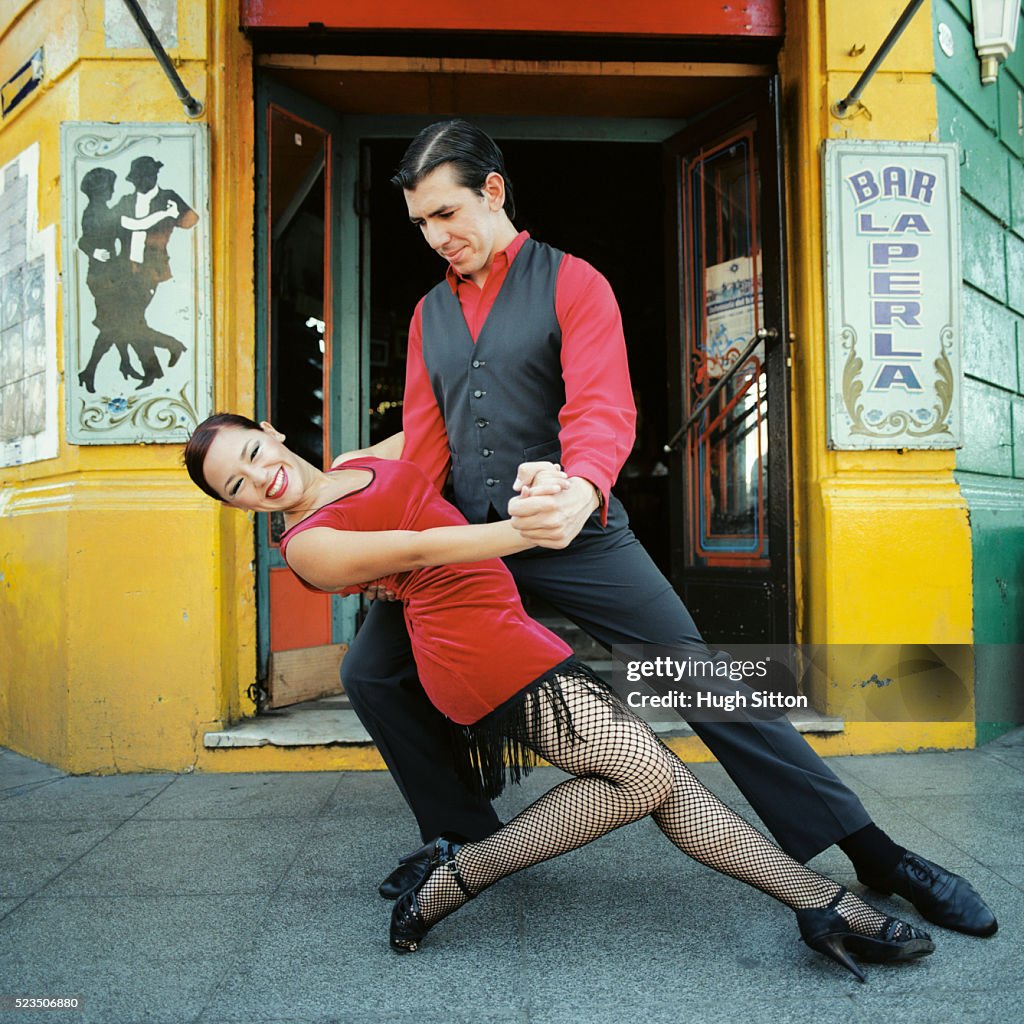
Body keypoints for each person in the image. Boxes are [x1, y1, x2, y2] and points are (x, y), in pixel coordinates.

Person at [340, 119, 996, 939]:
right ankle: (462, 837)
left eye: (447, 214)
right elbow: (427, 444)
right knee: (370, 668)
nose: (438, 238)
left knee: (701, 680)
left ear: (494, 191)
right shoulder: (430, 312)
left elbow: (603, 406)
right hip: (467, 547)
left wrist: (582, 485)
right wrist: (382, 537)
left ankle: (877, 854)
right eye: (422, 225)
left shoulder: (573, 283)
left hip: (575, 533)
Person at [183, 413, 934, 980]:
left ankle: (817, 905)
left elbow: (438, 417)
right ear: (237, 506)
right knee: (647, 774)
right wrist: (531, 530)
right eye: (236, 486)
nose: (259, 478)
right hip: (475, 654)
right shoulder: (306, 543)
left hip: (508, 630)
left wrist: (557, 457)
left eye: (252, 453)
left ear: (274, 432)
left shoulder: (353, 461)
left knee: (651, 778)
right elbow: (419, 547)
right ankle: (818, 903)